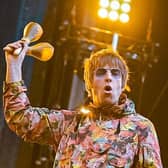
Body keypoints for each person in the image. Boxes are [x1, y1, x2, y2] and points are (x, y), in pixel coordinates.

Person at [3, 40, 163, 167]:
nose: (109, 77)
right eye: (101, 72)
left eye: (115, 73)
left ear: (122, 86)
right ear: (89, 86)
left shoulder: (141, 128)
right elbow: (21, 118)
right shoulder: (68, 124)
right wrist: (14, 65)